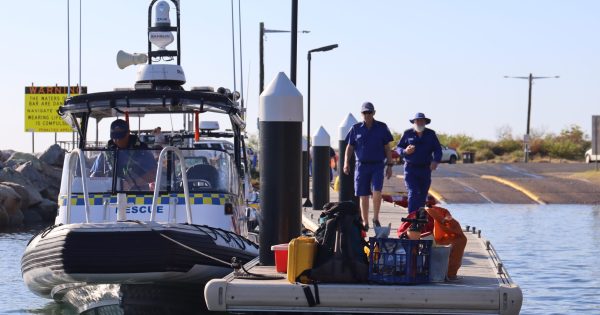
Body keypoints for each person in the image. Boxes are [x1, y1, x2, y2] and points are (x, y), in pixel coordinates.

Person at [343, 102, 394, 231]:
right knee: (363, 194)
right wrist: (346, 163)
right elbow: (349, 147)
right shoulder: (355, 128)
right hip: (361, 166)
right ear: (361, 114)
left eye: (369, 112)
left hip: (377, 165)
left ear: (374, 113)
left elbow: (387, 148)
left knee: (377, 191)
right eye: (365, 113)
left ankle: (375, 218)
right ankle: (365, 221)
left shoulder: (382, 127)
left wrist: (389, 165)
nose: (367, 115)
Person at [90, 119, 157, 190]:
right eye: (114, 136)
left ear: (128, 133)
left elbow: (154, 174)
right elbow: (94, 176)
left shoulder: (142, 150)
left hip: (138, 194)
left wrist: (132, 183)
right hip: (110, 194)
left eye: (120, 136)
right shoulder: (106, 151)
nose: (117, 140)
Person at [395, 113, 442, 213]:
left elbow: (438, 150)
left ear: (425, 122)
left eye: (422, 121)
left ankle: (420, 218)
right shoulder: (407, 133)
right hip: (410, 169)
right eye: (417, 121)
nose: (420, 123)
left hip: (425, 169)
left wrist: (435, 161)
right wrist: (405, 151)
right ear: (414, 122)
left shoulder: (431, 134)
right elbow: (398, 148)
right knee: (413, 192)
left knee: (423, 194)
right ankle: (411, 217)